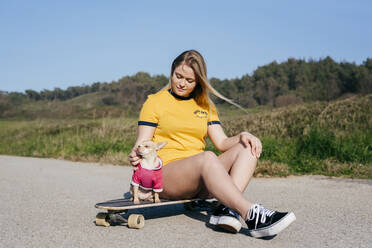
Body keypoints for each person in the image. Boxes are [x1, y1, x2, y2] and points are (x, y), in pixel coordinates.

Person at [128, 50, 295, 237]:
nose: (182, 83)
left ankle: (225, 210)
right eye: (178, 76)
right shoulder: (155, 102)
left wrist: (243, 135)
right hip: (166, 175)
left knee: (247, 147)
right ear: (171, 72)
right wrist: (135, 154)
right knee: (208, 157)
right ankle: (249, 213)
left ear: (199, 81)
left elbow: (222, 143)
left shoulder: (205, 105)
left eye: (189, 80)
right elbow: (143, 142)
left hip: (200, 176)